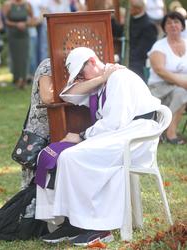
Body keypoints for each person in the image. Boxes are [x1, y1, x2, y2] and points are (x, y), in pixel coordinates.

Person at [35, 47, 163, 246]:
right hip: (121, 134)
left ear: (93, 62)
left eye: (80, 73)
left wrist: (83, 135)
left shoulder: (119, 78)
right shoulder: (103, 82)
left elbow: (114, 122)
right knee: (67, 156)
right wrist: (100, 79)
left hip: (136, 136)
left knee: (74, 157)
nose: (79, 79)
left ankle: (100, 227)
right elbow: (67, 95)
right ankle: (76, 221)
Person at [147, 12, 187, 145]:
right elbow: (160, 71)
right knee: (182, 93)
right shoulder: (159, 46)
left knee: (181, 92)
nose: (173, 25)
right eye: (169, 23)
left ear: (182, 26)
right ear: (164, 28)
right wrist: (182, 82)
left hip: (180, 87)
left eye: (176, 22)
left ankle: (166, 131)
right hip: (159, 87)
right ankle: (170, 133)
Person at [20, 58, 54, 189]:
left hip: (56, 130)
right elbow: (47, 98)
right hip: (40, 133)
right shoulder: (48, 65)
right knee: (33, 184)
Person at [3, 0, 34, 89]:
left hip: (24, 34)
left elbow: (32, 18)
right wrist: (16, 24)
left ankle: (24, 79)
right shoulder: (8, 5)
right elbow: (4, 20)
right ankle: (16, 79)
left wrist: (25, 23)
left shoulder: (27, 5)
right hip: (13, 34)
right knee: (14, 56)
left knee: (25, 56)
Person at [129, 0, 157, 81]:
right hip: (131, 58)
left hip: (139, 63)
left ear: (138, 9)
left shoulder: (148, 25)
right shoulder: (132, 19)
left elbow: (143, 50)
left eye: (131, 7)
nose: (129, 9)